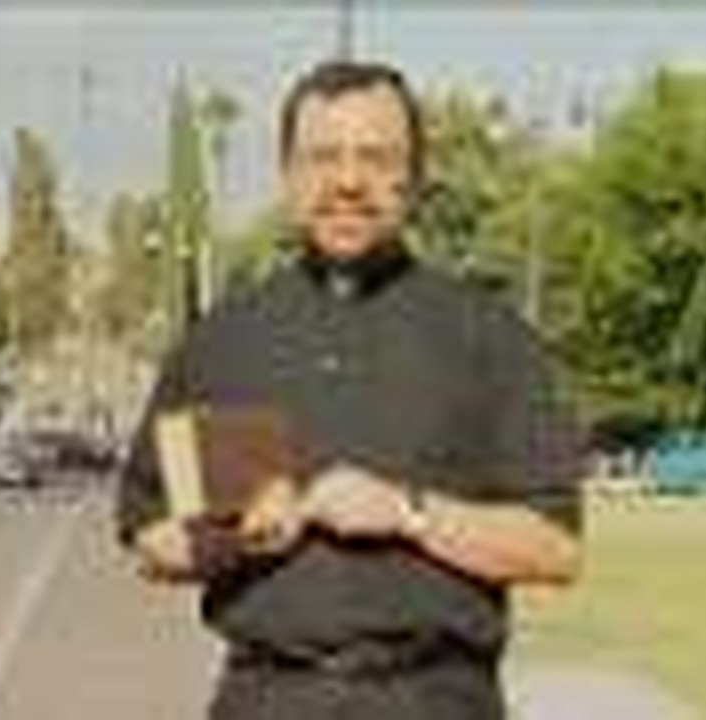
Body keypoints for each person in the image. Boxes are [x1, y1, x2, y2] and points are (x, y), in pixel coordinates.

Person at [116, 59, 585, 720]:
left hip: (436, 698)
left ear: (413, 175)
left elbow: (556, 548)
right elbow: (151, 538)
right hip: (267, 698)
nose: (347, 181)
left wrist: (408, 513)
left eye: (375, 157)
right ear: (288, 174)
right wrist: (241, 536)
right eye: (322, 157)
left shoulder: (488, 337)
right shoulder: (224, 342)